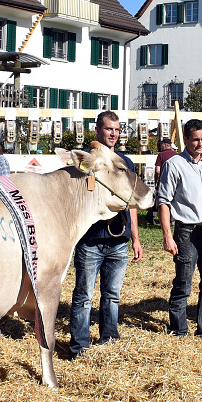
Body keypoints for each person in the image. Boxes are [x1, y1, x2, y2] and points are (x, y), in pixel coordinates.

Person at [69, 110, 143, 357]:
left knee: (112, 295)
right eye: (109, 129)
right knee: (83, 296)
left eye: (117, 129)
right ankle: (79, 345)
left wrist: (135, 238)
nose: (114, 134)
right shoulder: (86, 162)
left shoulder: (125, 163)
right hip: (90, 240)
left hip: (118, 240)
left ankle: (109, 338)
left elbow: (131, 202)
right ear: (98, 131)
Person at [158, 118, 202, 339]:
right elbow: (164, 202)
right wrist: (168, 236)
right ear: (185, 139)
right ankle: (179, 329)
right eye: (195, 139)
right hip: (187, 233)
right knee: (184, 284)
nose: (200, 144)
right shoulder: (174, 165)